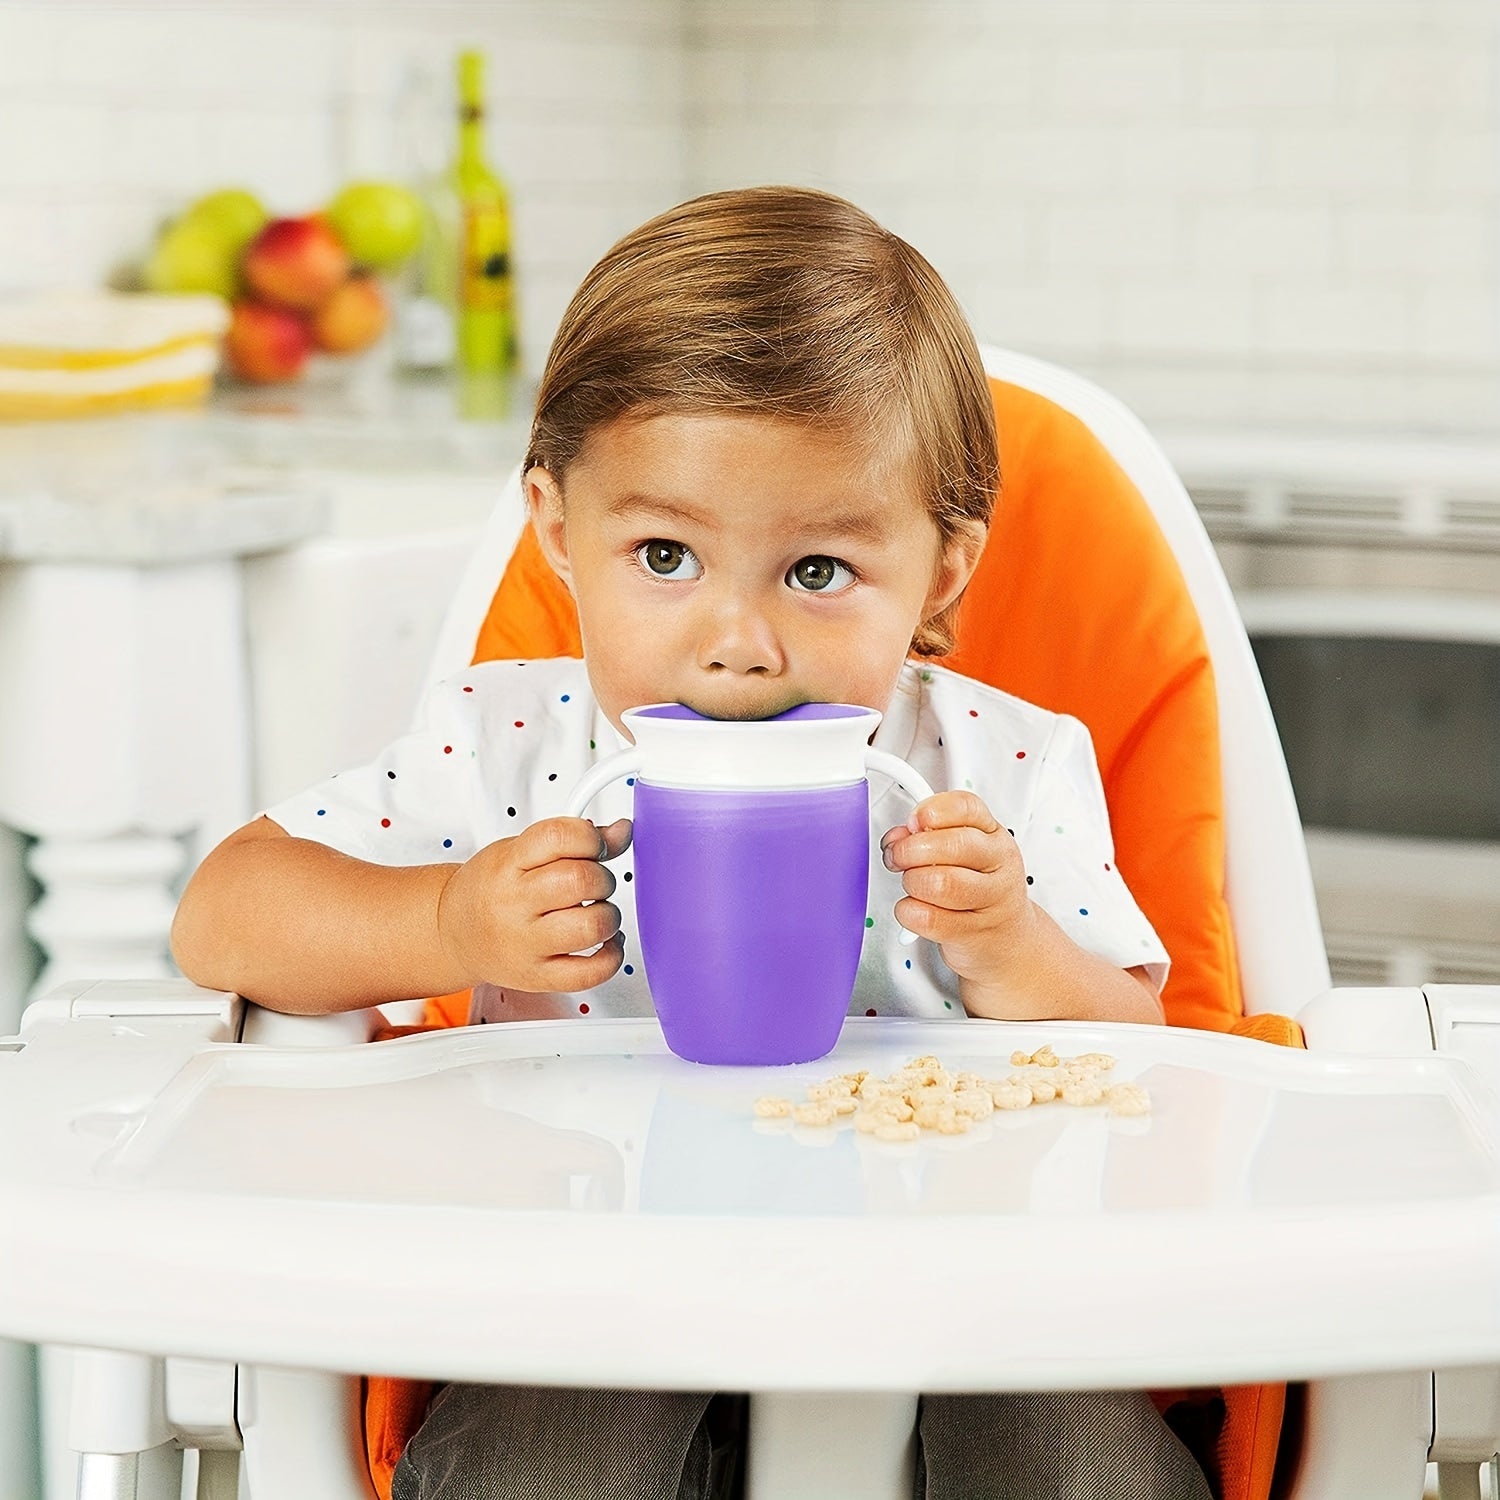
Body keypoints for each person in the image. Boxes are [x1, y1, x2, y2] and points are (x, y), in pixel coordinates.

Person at [172, 186, 1210, 1500]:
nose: (740, 643)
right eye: (665, 553)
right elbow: (223, 913)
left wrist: (1009, 944)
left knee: (1083, 1460)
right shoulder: (510, 750)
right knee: (543, 1467)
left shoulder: (999, 768)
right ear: (559, 532)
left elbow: (1143, 1060)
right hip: (583, 1270)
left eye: (818, 572)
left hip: (968, 1283)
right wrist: (444, 920)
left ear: (943, 569)